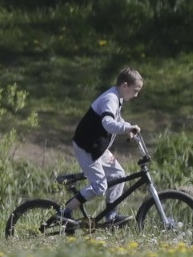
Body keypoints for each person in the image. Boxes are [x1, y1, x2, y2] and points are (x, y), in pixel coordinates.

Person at [58, 67, 143, 228]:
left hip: (98, 148)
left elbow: (117, 118)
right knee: (100, 187)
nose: (136, 95)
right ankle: (65, 211)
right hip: (86, 147)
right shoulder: (110, 99)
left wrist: (127, 126)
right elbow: (107, 123)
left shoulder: (117, 97)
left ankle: (110, 216)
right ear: (125, 86)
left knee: (118, 174)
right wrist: (126, 129)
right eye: (135, 90)